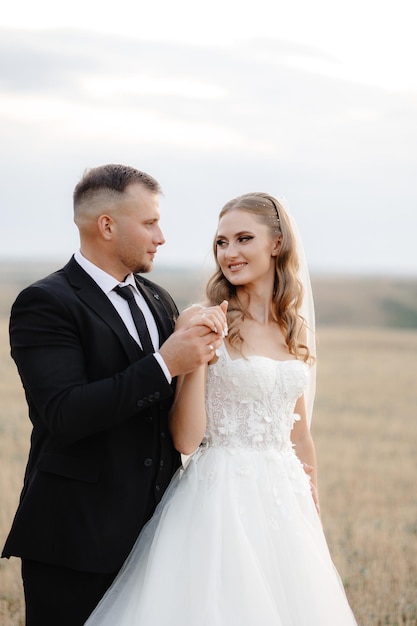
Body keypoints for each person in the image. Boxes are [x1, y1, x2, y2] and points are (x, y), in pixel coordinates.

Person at [84, 192, 358, 625]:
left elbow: (300, 434)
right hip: (219, 498)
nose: (229, 253)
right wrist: (201, 355)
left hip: (285, 502)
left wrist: (311, 502)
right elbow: (186, 438)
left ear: (277, 243)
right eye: (221, 243)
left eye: (243, 238)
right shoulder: (202, 319)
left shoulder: (293, 329)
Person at [1, 164, 226, 626]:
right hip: (75, 540)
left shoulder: (158, 299)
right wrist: (166, 364)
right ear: (106, 225)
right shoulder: (45, 303)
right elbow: (65, 413)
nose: (161, 236)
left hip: (159, 538)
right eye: (149, 223)